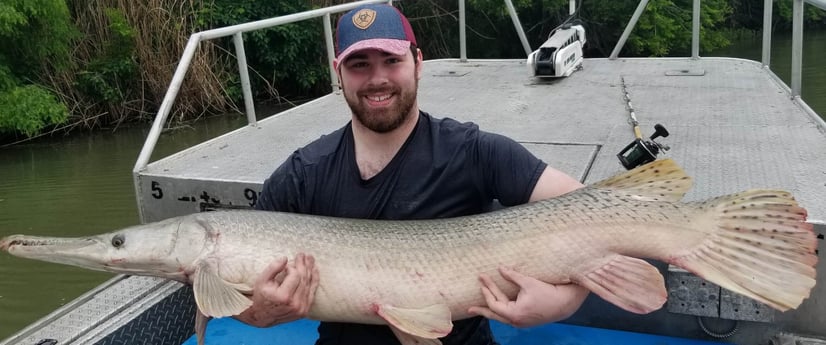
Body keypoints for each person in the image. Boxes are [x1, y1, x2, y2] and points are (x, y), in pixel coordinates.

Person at [235, 4, 590, 345]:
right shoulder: (302, 173)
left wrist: (566, 301)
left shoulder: (476, 152)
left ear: (418, 63)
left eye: (392, 60)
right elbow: (243, 298)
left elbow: (592, 213)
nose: (378, 79)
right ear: (337, 72)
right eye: (359, 64)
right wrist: (257, 313)